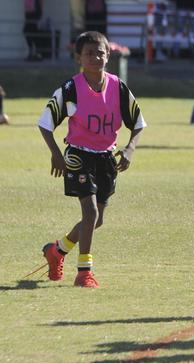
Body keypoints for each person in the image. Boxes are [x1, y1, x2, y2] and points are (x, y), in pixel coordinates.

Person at [37, 31, 147, 288]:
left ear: (108, 55)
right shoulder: (70, 89)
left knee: (96, 220)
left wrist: (129, 148)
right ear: (79, 58)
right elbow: (45, 124)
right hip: (78, 155)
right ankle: (84, 272)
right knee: (90, 211)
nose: (96, 57)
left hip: (107, 158)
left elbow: (139, 123)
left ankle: (57, 251)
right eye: (89, 53)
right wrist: (55, 153)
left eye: (100, 52)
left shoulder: (119, 88)